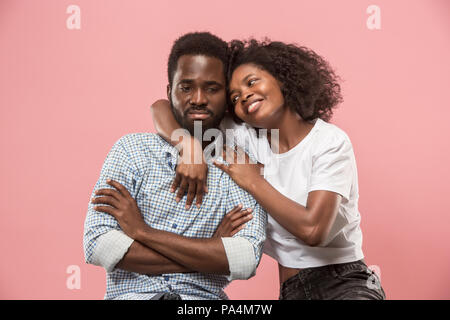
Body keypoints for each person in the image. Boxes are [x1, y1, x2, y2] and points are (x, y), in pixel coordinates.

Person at [150, 39, 386, 300]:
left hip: (345, 282)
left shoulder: (328, 141)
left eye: (251, 82)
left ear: (282, 79)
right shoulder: (246, 138)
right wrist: (188, 146)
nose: (245, 96)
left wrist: (253, 180)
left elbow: (313, 230)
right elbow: (162, 106)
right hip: (291, 290)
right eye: (235, 97)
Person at [83, 32, 266, 300]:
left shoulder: (240, 165)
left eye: (212, 88)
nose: (199, 99)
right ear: (170, 92)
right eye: (187, 87)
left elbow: (245, 259)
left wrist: (142, 233)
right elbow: (98, 244)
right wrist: (210, 251)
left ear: (227, 95)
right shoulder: (132, 151)